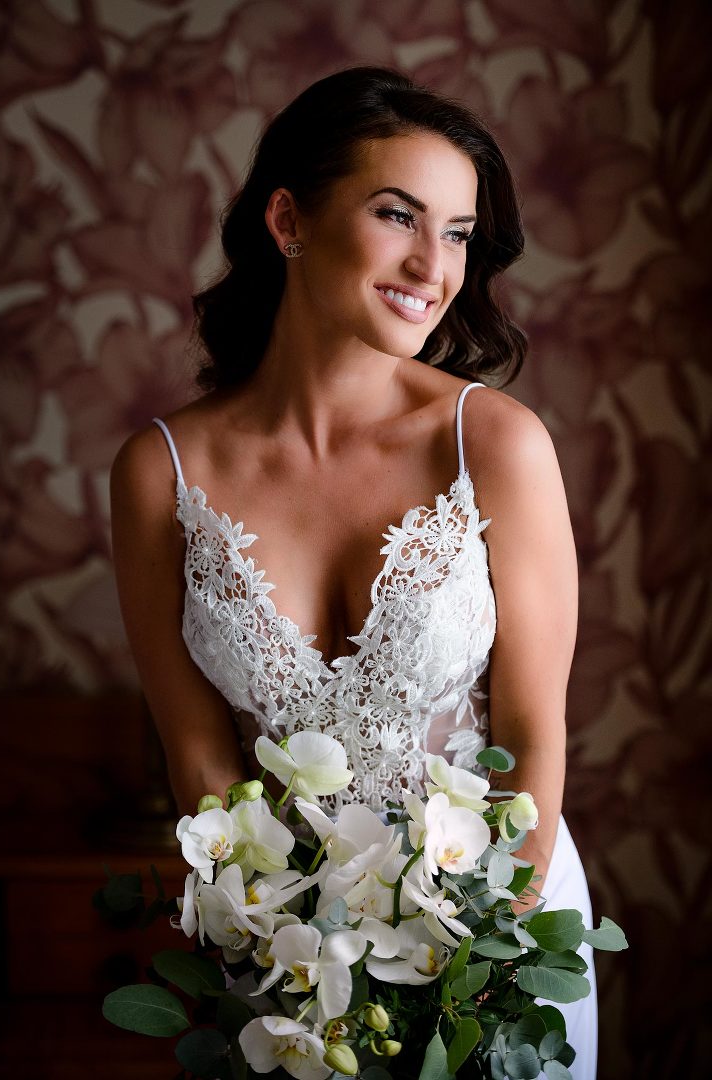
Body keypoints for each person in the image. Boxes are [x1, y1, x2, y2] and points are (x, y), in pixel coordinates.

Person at [110, 67, 596, 1076]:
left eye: (459, 232)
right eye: (397, 215)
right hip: (290, 968)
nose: (435, 263)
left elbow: (535, 733)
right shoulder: (160, 471)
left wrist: (483, 956)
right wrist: (280, 958)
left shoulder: (494, 444)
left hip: (498, 929)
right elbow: (200, 762)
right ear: (287, 219)